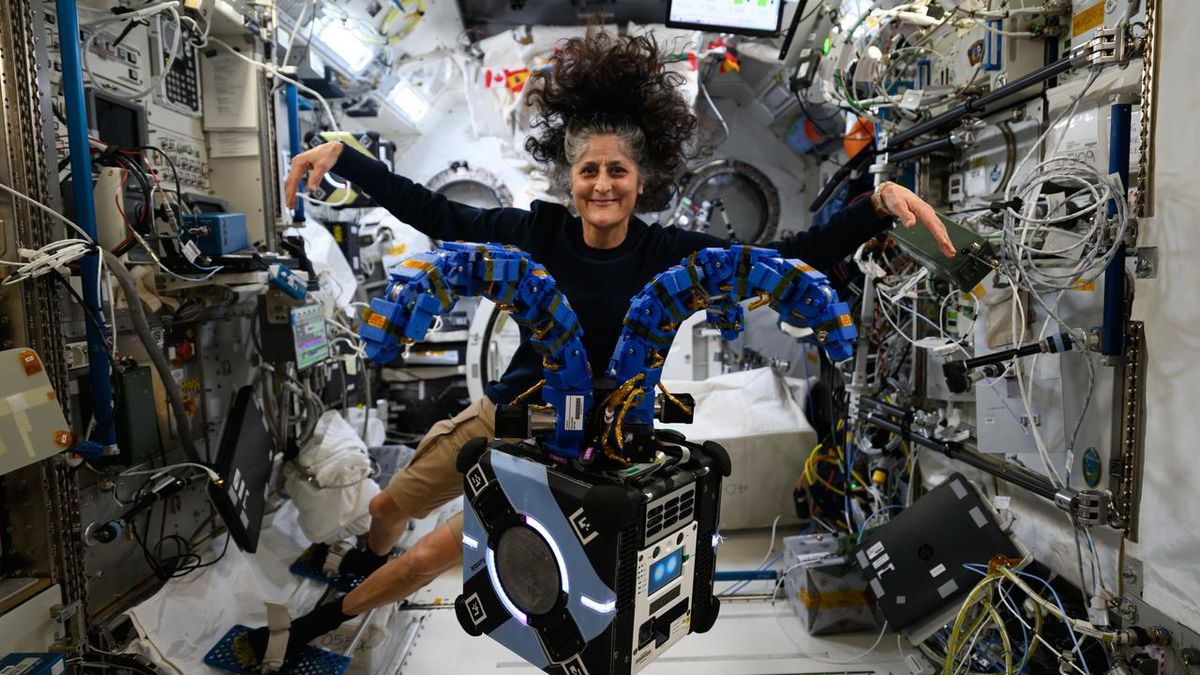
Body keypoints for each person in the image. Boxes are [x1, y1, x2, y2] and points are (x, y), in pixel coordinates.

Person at [236, 27, 953, 665]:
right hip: (508, 410)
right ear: (570, 178)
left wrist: (875, 206)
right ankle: (358, 564)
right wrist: (347, 159)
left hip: (585, 444)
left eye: (617, 171)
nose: (602, 184)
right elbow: (436, 212)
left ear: (641, 180)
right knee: (391, 508)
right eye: (589, 171)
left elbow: (785, 254)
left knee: (431, 552)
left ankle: (311, 632)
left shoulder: (670, 253)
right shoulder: (535, 235)